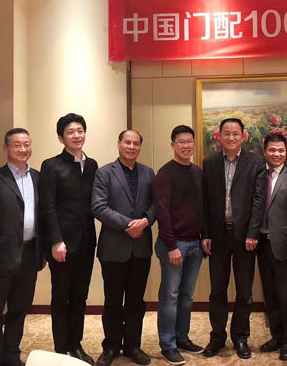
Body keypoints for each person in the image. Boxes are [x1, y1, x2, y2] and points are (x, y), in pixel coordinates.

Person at [0, 128, 46, 366]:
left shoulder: (38, 177)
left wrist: (42, 251)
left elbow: (44, 217)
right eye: (17, 145)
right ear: (6, 148)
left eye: (27, 144)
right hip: (0, 257)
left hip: (29, 254)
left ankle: (12, 357)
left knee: (19, 311)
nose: (23, 149)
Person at [201, 118, 267, 359]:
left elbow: (259, 200)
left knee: (244, 291)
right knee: (217, 290)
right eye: (226, 133)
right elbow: (205, 201)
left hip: (244, 237)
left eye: (235, 133)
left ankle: (240, 337)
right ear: (219, 136)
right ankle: (217, 337)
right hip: (218, 236)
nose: (231, 137)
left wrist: (253, 233)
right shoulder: (209, 163)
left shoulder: (256, 162)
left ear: (243, 136)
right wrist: (206, 234)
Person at [91, 130, 155, 366]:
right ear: (119, 144)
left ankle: (133, 345)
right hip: (113, 248)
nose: (131, 147)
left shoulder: (148, 173)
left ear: (140, 147)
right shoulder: (104, 173)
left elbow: (157, 204)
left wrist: (145, 221)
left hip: (141, 248)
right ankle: (110, 346)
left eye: (136, 143)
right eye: (127, 142)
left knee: (136, 301)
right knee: (113, 300)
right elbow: (98, 207)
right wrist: (129, 225)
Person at [39, 114, 98, 364]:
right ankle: (62, 349)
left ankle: (77, 345)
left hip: (86, 242)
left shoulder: (92, 165)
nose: (76, 135)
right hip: (62, 244)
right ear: (61, 138)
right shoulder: (51, 165)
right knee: (61, 297)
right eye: (70, 132)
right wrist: (55, 240)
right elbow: (48, 206)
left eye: (80, 130)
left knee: (80, 297)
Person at [153, 125, 204, 365]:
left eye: (189, 141)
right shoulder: (164, 174)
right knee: (170, 296)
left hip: (195, 243)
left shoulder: (198, 172)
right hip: (173, 245)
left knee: (186, 297)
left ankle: (182, 338)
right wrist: (171, 245)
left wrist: (204, 237)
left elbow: (203, 207)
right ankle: (168, 345)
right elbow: (162, 211)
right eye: (181, 141)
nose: (186, 145)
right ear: (173, 145)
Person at [256, 134, 287, 361]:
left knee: (286, 296)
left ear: (286, 152)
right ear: (264, 151)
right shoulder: (259, 176)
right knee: (270, 295)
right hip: (262, 244)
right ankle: (276, 336)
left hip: (286, 245)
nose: (276, 154)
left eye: (281, 150)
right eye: (272, 150)